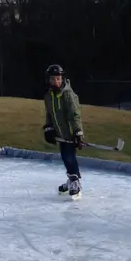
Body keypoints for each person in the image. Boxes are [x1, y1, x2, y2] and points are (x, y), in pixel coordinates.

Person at [42, 64, 85, 199]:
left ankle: (75, 183)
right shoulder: (48, 96)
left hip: (70, 134)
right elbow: (49, 114)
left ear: (62, 79)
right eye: (53, 79)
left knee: (69, 157)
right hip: (60, 135)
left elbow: (74, 115)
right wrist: (48, 128)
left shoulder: (68, 95)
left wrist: (78, 132)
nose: (56, 81)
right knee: (65, 157)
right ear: (48, 80)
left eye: (58, 79)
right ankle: (72, 179)